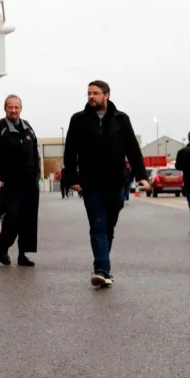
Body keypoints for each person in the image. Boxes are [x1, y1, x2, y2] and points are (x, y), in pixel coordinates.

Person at [63, 80, 149, 288]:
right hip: (90, 183)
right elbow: (70, 152)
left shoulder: (121, 119)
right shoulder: (79, 120)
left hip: (116, 182)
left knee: (108, 226)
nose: (91, 96)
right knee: (98, 225)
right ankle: (102, 269)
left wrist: (141, 176)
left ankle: (102, 264)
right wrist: (73, 179)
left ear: (107, 95)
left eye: (95, 93)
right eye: (88, 93)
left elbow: (133, 149)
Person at [0, 95, 40, 267]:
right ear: (5, 109)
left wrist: (37, 172)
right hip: (9, 183)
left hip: (30, 183)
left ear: (21, 108)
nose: (13, 110)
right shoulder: (0, 127)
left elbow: (35, 152)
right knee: (13, 217)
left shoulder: (28, 127)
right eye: (10, 107)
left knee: (28, 219)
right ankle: (2, 245)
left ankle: (23, 254)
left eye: (16, 107)